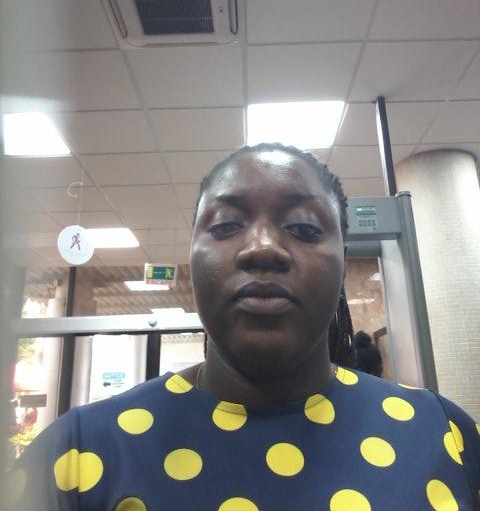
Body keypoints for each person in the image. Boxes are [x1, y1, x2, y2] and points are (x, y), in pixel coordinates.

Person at [5, 143, 480, 511]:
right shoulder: (78, 452)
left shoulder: (444, 435)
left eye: (304, 228)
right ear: (193, 258)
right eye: (226, 225)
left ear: (342, 261)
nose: (262, 248)